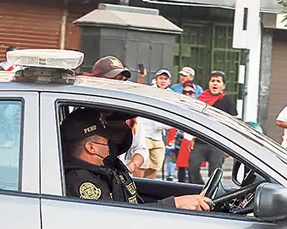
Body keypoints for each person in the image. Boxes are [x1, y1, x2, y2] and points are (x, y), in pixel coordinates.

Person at [61, 107, 211, 211]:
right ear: (91, 148)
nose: (114, 145)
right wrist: (174, 204)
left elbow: (132, 205)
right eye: (109, 140)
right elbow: (117, 221)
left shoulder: (108, 169)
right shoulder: (82, 181)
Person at [88, 56, 149, 174]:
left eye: (121, 80)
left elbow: (141, 149)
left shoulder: (130, 116)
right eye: (113, 79)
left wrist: (128, 168)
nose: (118, 85)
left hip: (115, 179)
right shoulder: (78, 107)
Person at [191, 71, 237, 184]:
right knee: (192, 168)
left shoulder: (228, 101)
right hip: (199, 141)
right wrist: (191, 138)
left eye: (218, 81)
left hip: (217, 143)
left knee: (215, 173)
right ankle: (199, 188)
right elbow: (193, 119)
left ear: (223, 85)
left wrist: (229, 146)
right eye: (213, 81)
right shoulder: (201, 100)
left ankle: (212, 195)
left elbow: (233, 124)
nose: (215, 84)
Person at [135, 69, 172, 179]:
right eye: (161, 78)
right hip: (145, 134)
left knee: (155, 166)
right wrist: (141, 77)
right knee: (142, 165)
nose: (163, 81)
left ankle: (148, 191)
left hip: (158, 135)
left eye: (165, 79)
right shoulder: (149, 90)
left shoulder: (171, 95)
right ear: (156, 80)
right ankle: (137, 188)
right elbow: (136, 90)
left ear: (169, 81)